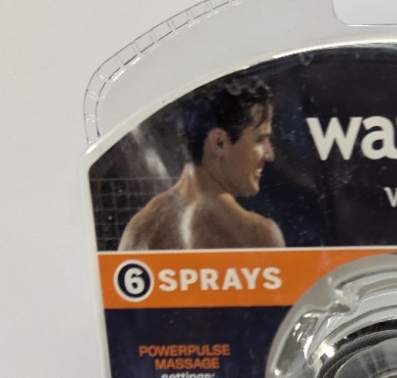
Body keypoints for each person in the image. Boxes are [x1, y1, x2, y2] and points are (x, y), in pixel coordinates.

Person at [118, 79, 284, 251]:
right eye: (260, 139)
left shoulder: (140, 228)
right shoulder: (257, 234)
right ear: (219, 142)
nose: (269, 155)